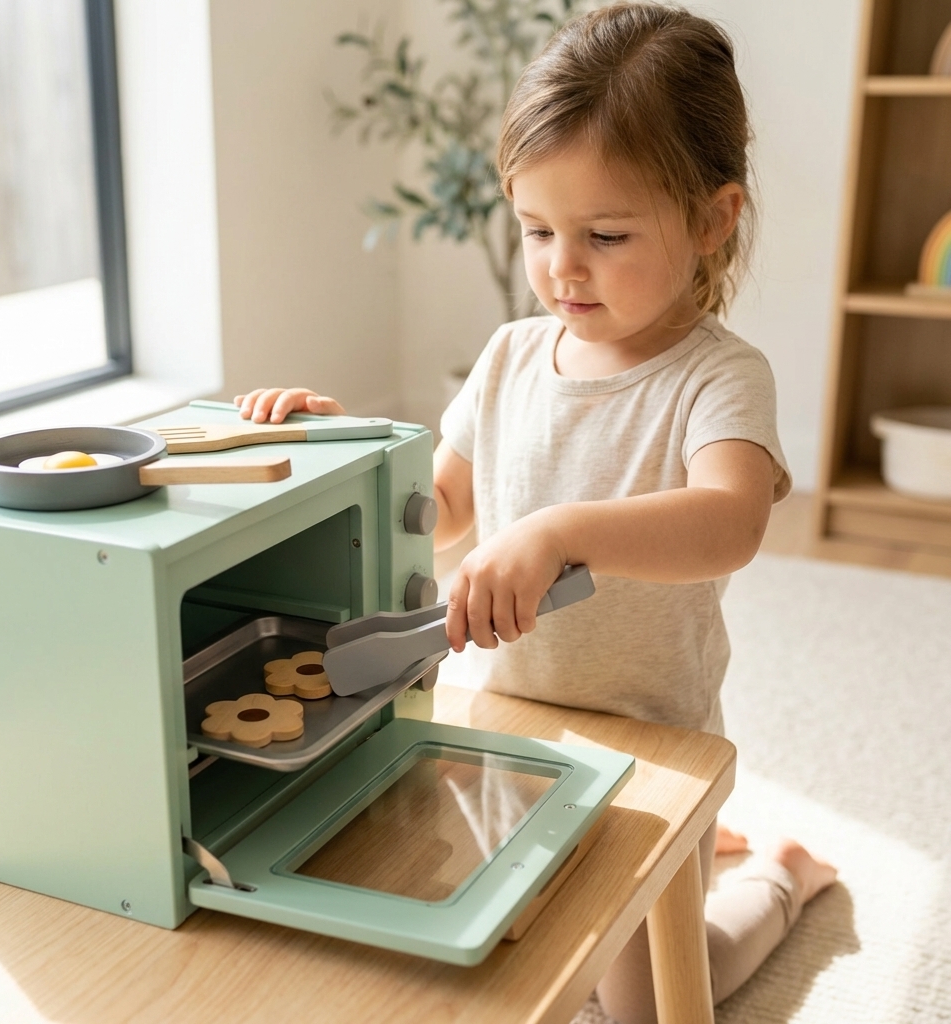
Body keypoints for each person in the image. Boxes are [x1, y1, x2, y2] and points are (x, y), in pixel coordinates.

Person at [234, 4, 835, 1020]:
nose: (562, 265)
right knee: (495, 955)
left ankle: (777, 875)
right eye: (537, 230)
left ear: (712, 218)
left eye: (604, 235)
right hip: (506, 732)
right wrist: (342, 451)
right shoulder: (513, 354)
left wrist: (560, 528)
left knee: (637, 1006)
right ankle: (706, 871)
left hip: (651, 745)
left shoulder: (718, 378)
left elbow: (729, 521)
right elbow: (445, 510)